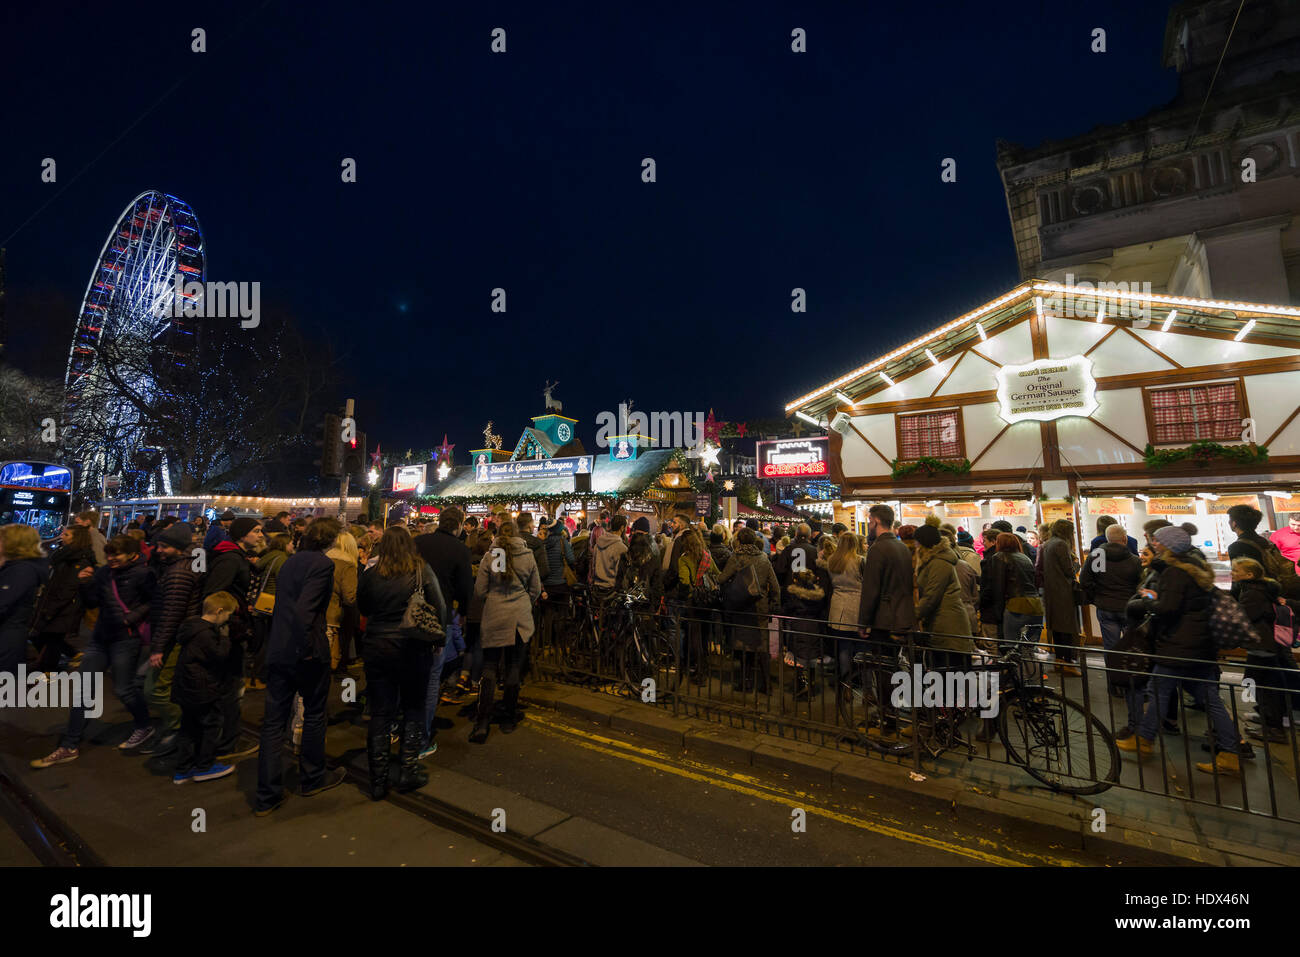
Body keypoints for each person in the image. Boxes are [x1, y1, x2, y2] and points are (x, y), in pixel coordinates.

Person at [1118, 526, 1243, 775]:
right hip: (1200, 646)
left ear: (1168, 545)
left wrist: (1148, 597)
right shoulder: (1196, 568)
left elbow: (1168, 608)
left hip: (1179, 644)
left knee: (1158, 690)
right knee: (1209, 698)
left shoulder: (1176, 573)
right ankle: (1230, 752)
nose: (1154, 544)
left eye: (1158, 541)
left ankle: (1144, 740)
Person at [31, 535, 155, 767]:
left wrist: (131, 618)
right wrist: (85, 584)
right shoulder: (103, 573)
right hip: (101, 638)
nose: (111, 558)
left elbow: (153, 602)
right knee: (84, 690)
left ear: (132, 554)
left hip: (125, 640)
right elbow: (92, 603)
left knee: (123, 689)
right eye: (108, 554)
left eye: (116, 554)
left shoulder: (144, 574)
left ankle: (143, 725)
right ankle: (69, 745)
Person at [254, 518, 348, 815]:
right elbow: (304, 611)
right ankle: (312, 776)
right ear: (331, 540)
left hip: (279, 648)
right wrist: (307, 648)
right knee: (315, 713)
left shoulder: (290, 561)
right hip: (304, 651)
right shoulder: (321, 565)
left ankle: (267, 794)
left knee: (273, 722)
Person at [357, 526, 446, 797]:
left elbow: (363, 608)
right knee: (413, 707)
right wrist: (438, 640)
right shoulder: (421, 570)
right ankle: (407, 769)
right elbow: (440, 607)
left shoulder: (372, 574)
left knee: (381, 711)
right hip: (412, 647)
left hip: (378, 646)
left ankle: (378, 780)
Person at [471, 519, 540, 743]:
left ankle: (482, 722)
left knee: (489, 667)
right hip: (519, 618)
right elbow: (535, 589)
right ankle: (508, 718)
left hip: (494, 616)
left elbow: (480, 591)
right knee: (513, 667)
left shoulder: (490, 556)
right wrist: (521, 601)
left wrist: (495, 599)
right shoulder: (527, 556)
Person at [204, 516, 263, 761]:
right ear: (242, 535)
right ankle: (227, 742)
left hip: (231, 628)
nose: (261, 535)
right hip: (229, 632)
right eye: (257, 531)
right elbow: (213, 594)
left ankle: (222, 738)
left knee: (228, 687)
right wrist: (232, 616)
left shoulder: (233, 557)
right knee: (230, 688)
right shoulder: (230, 559)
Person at [141, 522, 203, 756]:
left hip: (175, 637)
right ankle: (175, 729)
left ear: (178, 548)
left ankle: (176, 730)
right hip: (181, 634)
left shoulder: (178, 573)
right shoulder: (192, 562)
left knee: (154, 689)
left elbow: (171, 612)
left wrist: (158, 647)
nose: (158, 550)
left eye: (164, 547)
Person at [414, 507, 473, 753]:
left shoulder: (418, 542)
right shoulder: (460, 549)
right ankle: (420, 739)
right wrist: (463, 613)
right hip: (441, 616)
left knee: (410, 673)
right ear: (459, 526)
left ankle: (399, 727)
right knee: (430, 680)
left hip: (412, 615)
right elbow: (465, 589)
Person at [170, 592, 239, 783]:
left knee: (188, 727)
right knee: (211, 725)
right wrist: (225, 638)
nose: (228, 619)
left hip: (185, 688)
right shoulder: (206, 634)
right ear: (219, 611)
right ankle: (204, 766)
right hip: (202, 689)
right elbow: (219, 656)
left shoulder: (191, 626)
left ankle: (182, 769)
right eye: (227, 615)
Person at [1080, 523, 1143, 726]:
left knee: (1112, 646)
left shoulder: (1097, 556)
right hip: (1129, 608)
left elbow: (1086, 580)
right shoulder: (1134, 559)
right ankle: (1134, 683)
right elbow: (1139, 583)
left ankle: (1114, 684)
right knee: (1133, 647)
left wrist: (1096, 597)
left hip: (1106, 607)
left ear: (1107, 539)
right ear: (1124, 539)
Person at [1232, 557, 1294, 744]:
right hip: (1266, 644)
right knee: (1257, 682)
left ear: (1249, 574)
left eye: (1236, 570)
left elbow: (1245, 617)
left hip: (1260, 645)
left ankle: (1274, 727)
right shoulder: (1262, 589)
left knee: (1262, 685)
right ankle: (1270, 719)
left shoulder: (1252, 593)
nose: (1232, 573)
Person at [716, 527, 780, 694]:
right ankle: (767, 684)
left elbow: (722, 578)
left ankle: (746, 683)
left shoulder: (736, 557)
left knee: (744, 647)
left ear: (740, 540)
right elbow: (775, 586)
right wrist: (773, 603)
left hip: (742, 607)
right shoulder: (764, 558)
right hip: (760, 608)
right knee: (762, 646)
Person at [29, 524, 95, 673]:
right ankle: (48, 665)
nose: (62, 537)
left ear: (76, 539)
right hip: (54, 604)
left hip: (64, 607)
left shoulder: (79, 561)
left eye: (66, 535)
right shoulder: (64, 555)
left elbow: (68, 588)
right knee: (47, 638)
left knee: (52, 639)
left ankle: (49, 670)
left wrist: (51, 609)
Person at [911, 524, 974, 662]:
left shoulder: (939, 563)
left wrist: (912, 616)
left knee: (951, 676)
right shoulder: (933, 561)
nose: (915, 545)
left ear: (924, 543)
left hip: (949, 628)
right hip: (941, 625)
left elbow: (931, 596)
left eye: (917, 542)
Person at [0, 524, 51, 675]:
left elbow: (3, 603)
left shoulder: (22, 571)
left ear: (13, 544)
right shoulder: (14, 568)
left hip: (6, 640)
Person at [249, 532, 292, 688]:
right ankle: (261, 674)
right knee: (270, 640)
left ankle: (255, 673)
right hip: (274, 602)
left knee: (263, 639)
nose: (292, 545)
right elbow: (283, 580)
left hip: (263, 602)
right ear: (284, 545)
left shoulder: (268, 556)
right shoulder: (281, 558)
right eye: (290, 543)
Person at [1040, 519, 1081, 676]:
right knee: (1067, 628)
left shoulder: (1048, 544)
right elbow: (1069, 570)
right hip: (1063, 592)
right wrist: (1076, 564)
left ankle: (1059, 661)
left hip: (1052, 591)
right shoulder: (1061, 544)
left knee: (1057, 629)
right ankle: (1068, 663)